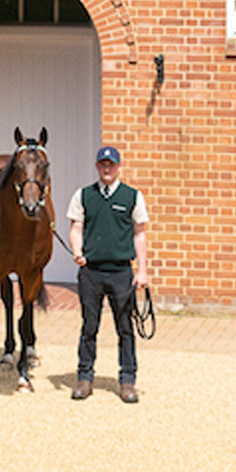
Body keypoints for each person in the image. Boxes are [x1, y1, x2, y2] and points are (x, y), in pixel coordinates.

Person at [68, 142, 148, 403]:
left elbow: (140, 234)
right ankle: (84, 378)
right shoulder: (83, 195)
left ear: (118, 167)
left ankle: (127, 381)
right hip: (91, 272)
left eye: (111, 164)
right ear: (97, 167)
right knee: (89, 327)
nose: (107, 168)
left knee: (125, 328)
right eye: (103, 164)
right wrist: (76, 250)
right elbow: (76, 228)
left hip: (121, 273)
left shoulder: (132, 197)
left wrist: (142, 271)